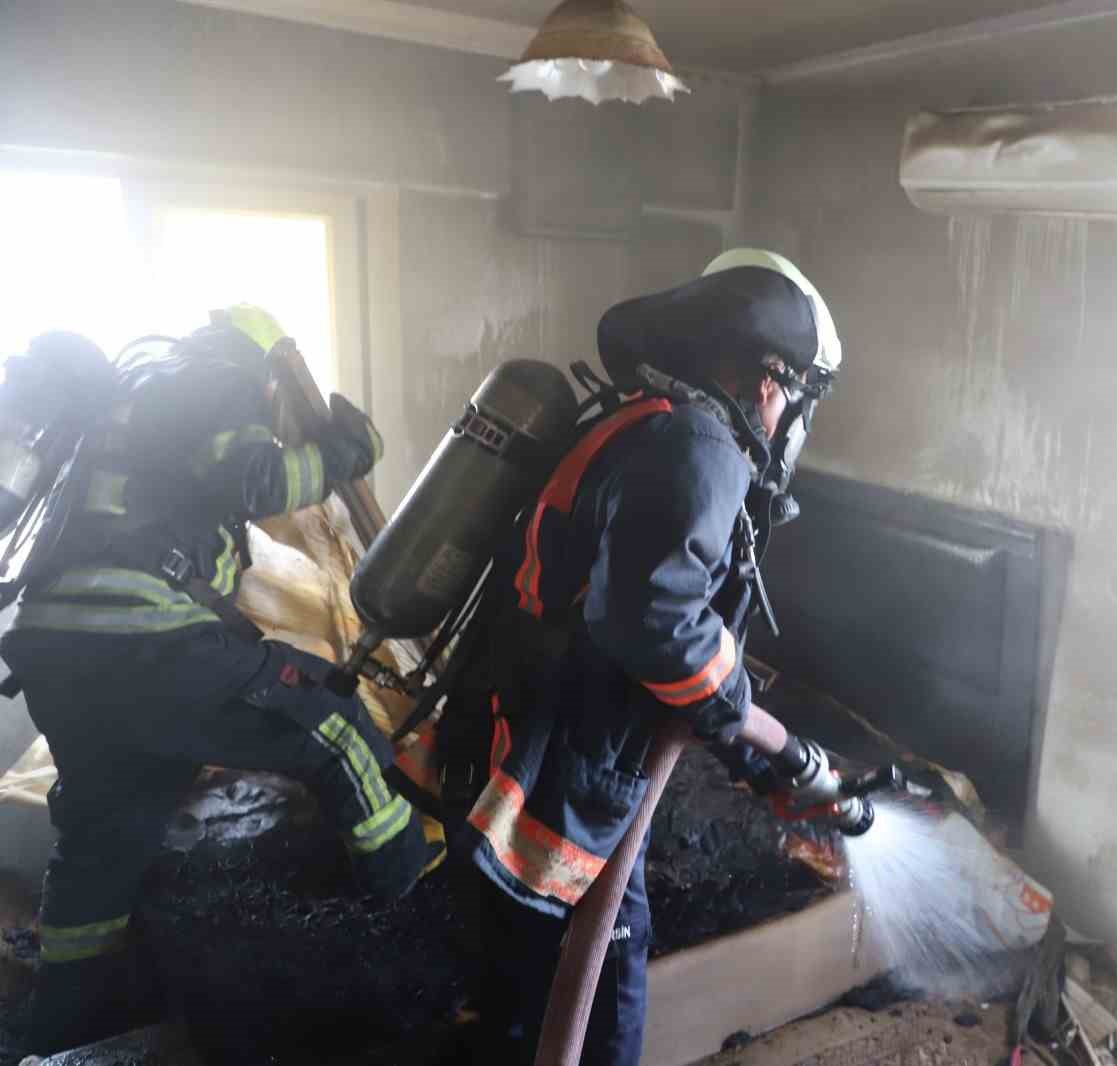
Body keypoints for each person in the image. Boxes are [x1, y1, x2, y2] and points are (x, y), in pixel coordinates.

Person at [408, 250, 846, 1066]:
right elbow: (653, 620)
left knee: (521, 993)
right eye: (795, 396)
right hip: (561, 775)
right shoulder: (700, 444)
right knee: (601, 1000)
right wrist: (757, 725)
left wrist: (746, 741)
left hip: (518, 745)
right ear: (769, 379)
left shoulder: (638, 418)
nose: (789, 420)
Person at [0, 308, 440, 1054]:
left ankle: (58, 1028)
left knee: (107, 835)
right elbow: (259, 476)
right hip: (141, 639)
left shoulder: (126, 409)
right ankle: (413, 906)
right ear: (264, 367)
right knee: (328, 721)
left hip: (56, 651)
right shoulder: (213, 379)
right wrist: (342, 451)